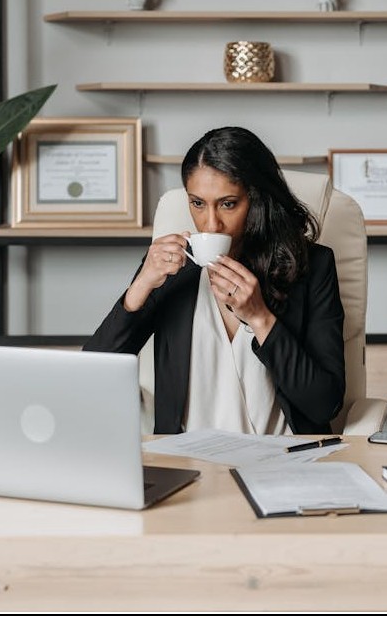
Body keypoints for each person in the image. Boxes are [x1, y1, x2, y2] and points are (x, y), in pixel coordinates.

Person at [85, 126, 345, 434]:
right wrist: (141, 285)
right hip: (188, 461)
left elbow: (324, 403)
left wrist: (261, 318)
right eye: (197, 203)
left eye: (228, 203)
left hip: (286, 460)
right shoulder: (169, 269)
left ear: (258, 200)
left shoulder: (313, 266)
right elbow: (94, 374)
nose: (211, 223)